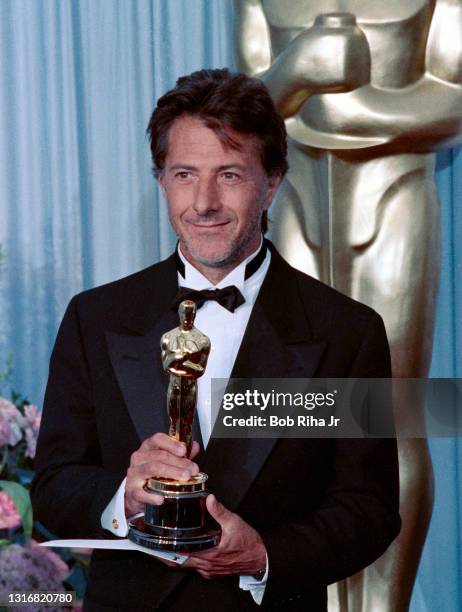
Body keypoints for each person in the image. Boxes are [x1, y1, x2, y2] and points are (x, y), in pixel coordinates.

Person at [31, 68, 400, 611]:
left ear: (271, 182)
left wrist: (264, 556)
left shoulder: (346, 331)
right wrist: (123, 499)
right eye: (184, 174)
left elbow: (368, 510)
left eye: (229, 175)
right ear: (161, 179)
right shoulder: (95, 317)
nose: (203, 202)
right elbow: (54, 485)